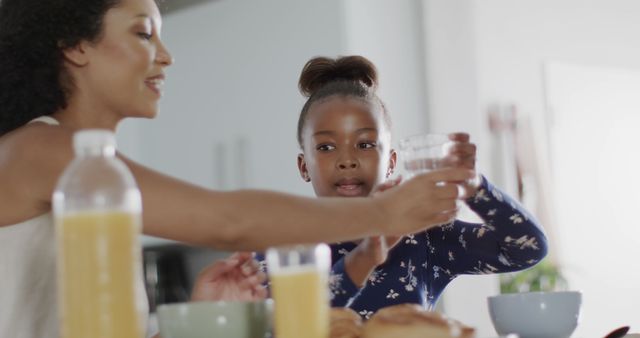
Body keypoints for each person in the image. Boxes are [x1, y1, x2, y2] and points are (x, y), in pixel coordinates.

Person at [0, 0, 475, 337]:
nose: (166, 55)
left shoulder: (94, 174)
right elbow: (228, 220)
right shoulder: (42, 151)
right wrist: (387, 213)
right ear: (75, 46)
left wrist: (199, 319)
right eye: (144, 32)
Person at [260, 55, 548, 318]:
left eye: (365, 144)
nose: (346, 160)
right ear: (303, 166)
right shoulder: (278, 248)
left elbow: (527, 248)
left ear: (391, 162)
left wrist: (475, 188)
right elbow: (283, 326)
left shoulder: (424, 237)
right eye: (325, 147)